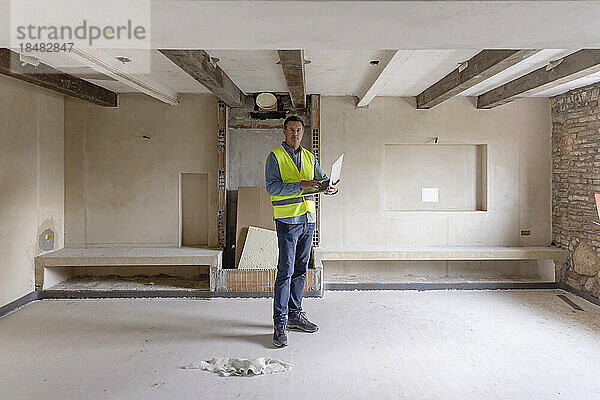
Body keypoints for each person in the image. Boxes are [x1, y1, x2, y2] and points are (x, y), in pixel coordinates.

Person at [265, 115, 339, 348]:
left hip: (308, 221)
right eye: (291, 130)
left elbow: (322, 178)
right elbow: (272, 187)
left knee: (300, 271)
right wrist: (300, 185)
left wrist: (329, 186)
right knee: (285, 272)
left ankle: (295, 315)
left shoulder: (309, 156)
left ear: (302, 132)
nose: (295, 133)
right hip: (287, 222)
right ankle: (280, 322)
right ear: (284, 131)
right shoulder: (275, 157)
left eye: (298, 130)